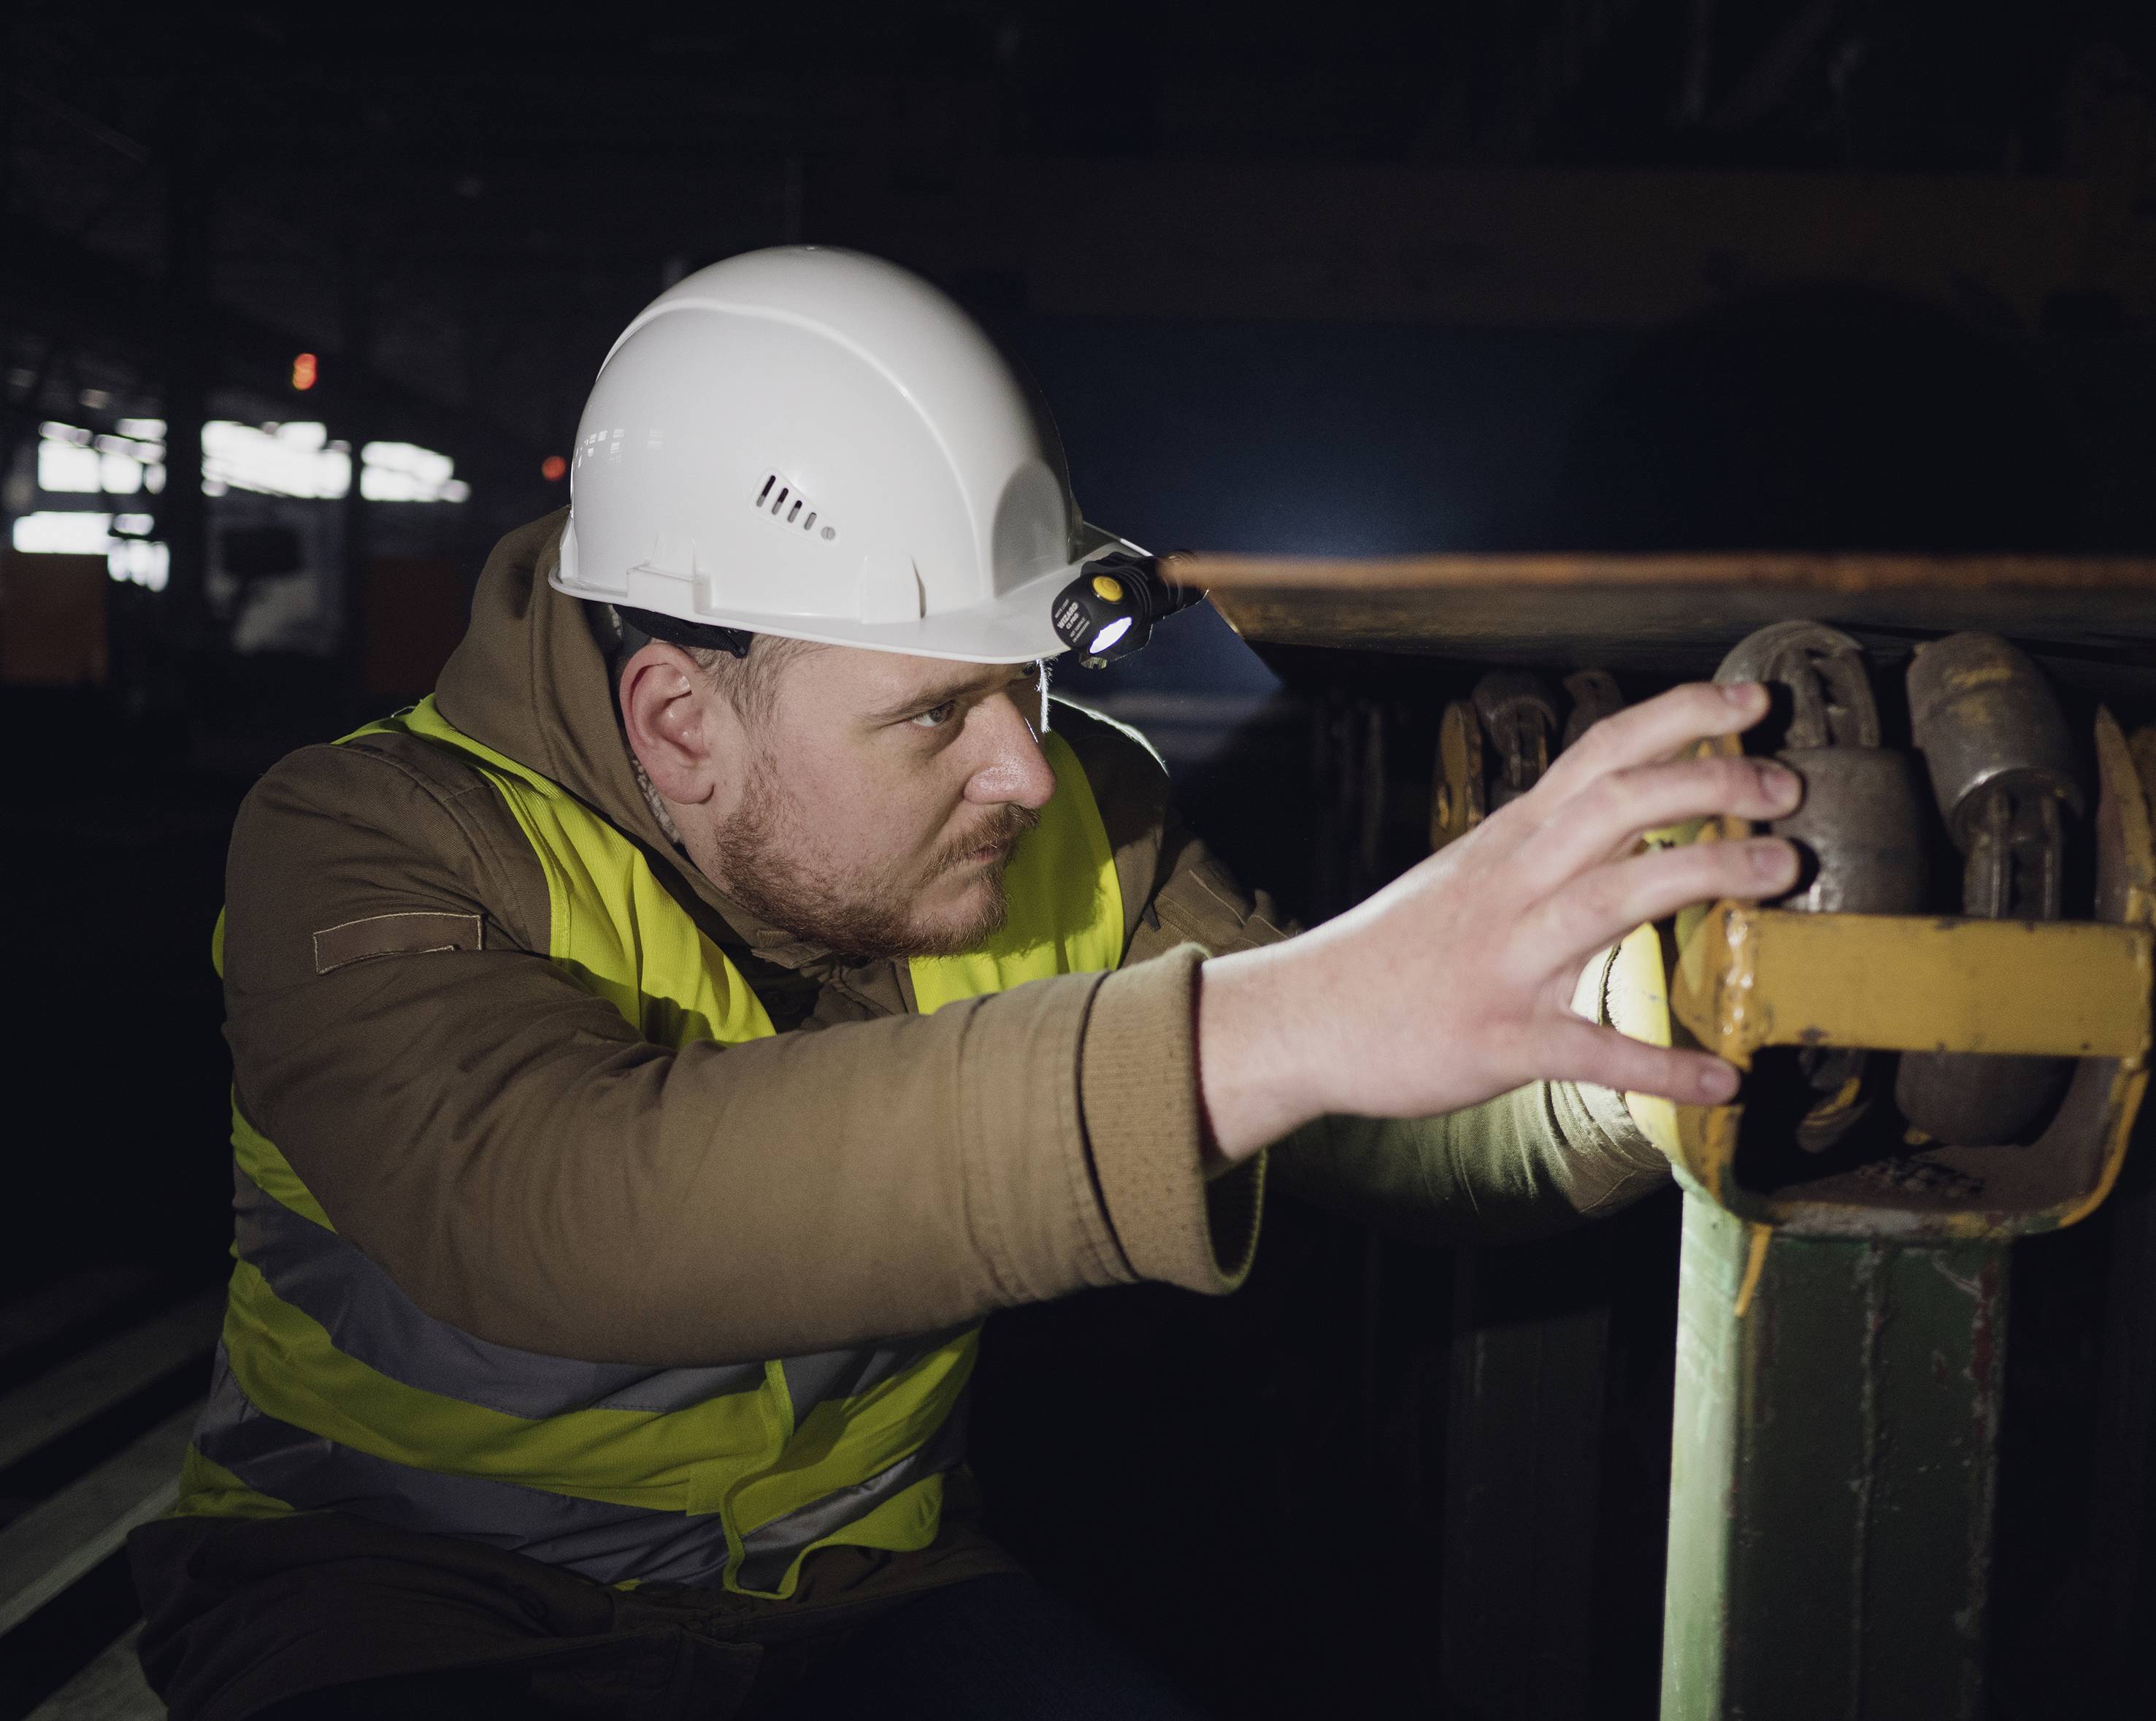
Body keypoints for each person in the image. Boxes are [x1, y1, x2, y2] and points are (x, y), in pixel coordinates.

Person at [129, 248, 1801, 1720]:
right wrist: (1291, 1014)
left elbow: (1344, 1117)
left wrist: (1625, 1058)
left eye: (1024, 688)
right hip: (403, 1610)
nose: (1022, 769)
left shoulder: (1072, 817)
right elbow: (543, 1201)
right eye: (934, 713)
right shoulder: (366, 838)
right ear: (679, 726)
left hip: (855, 1602)